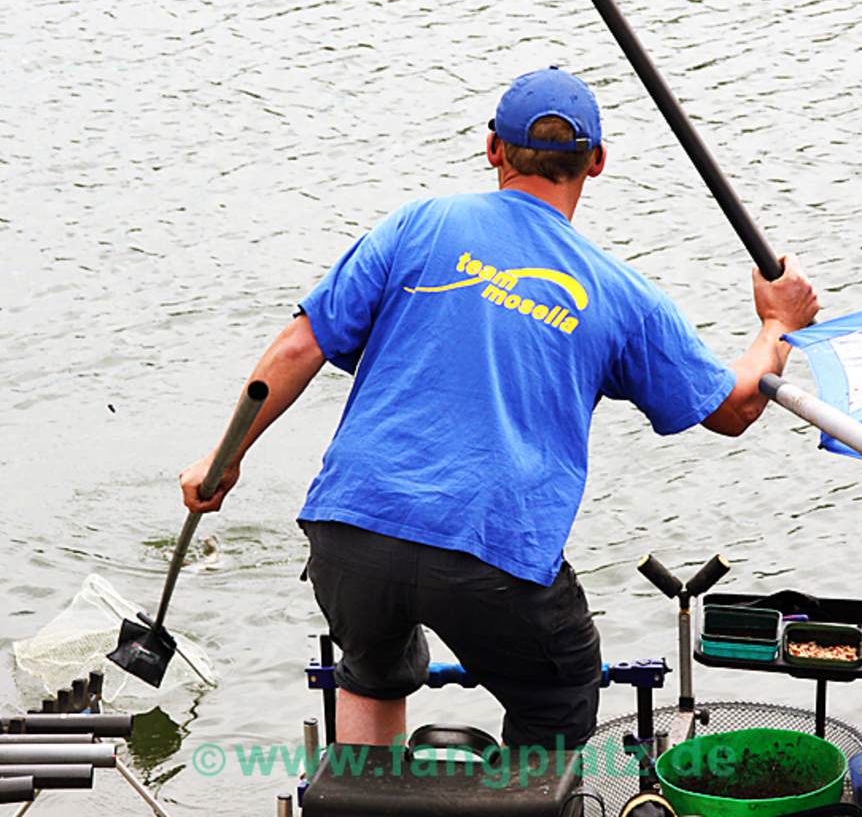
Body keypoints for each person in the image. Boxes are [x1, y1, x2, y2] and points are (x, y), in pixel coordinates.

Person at [180, 67, 819, 750]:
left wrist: (225, 457)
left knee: (369, 672)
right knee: (559, 689)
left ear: (492, 149)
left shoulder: (419, 225)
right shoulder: (622, 295)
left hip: (351, 527)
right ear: (596, 163)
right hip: (493, 552)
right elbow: (733, 407)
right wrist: (776, 326)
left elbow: (301, 344)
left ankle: (359, 800)